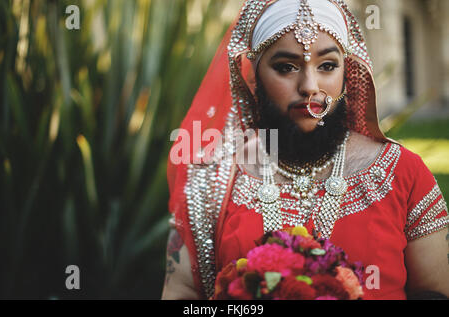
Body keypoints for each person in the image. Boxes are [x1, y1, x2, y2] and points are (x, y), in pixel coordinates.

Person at [161, 0, 449, 300]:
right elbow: (181, 293)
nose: (310, 86)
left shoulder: (401, 172)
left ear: (347, 72)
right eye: (286, 67)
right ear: (254, 75)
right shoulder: (213, 179)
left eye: (327, 66)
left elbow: (435, 292)